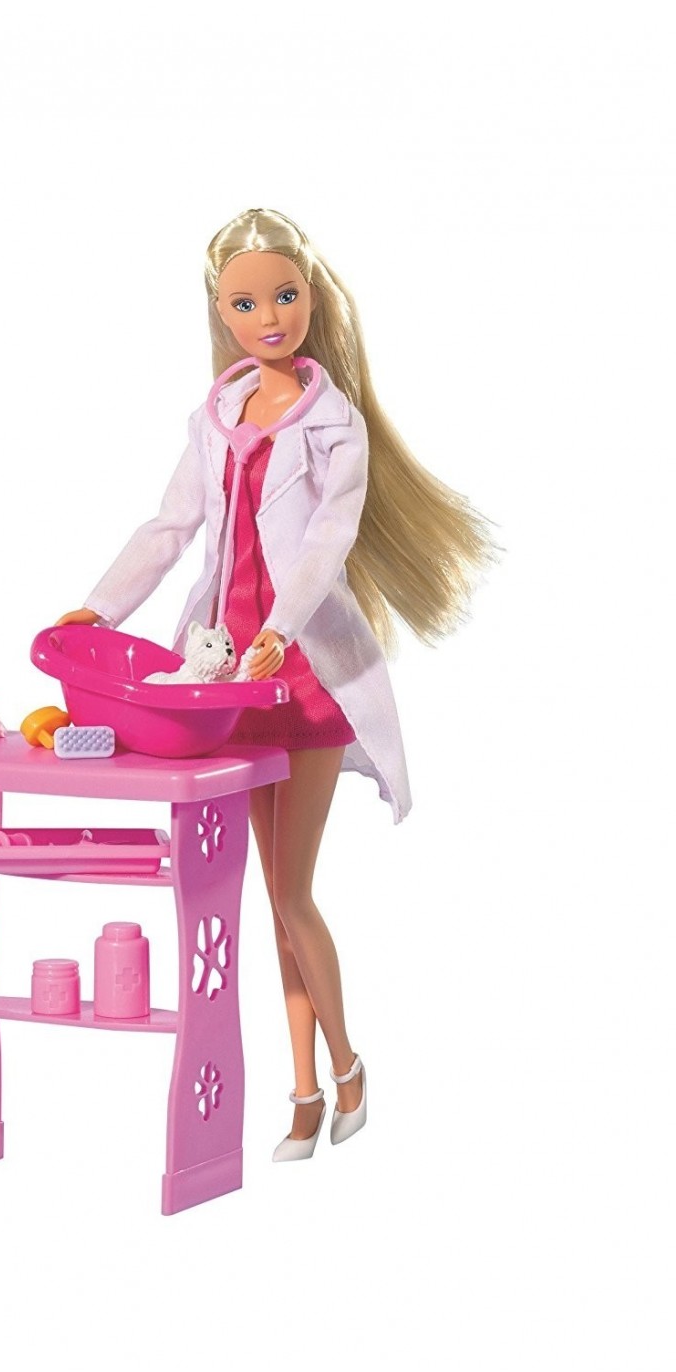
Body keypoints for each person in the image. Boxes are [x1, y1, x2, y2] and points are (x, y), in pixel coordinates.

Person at [58, 208, 492, 1160]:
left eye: (285, 296)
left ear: (311, 299)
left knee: (293, 895)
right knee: (270, 900)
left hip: (300, 677)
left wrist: (280, 630)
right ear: (221, 312)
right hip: (224, 680)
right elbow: (170, 527)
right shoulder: (214, 418)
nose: (270, 317)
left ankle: (346, 1069)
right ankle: (303, 1091)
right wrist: (99, 609)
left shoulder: (336, 426)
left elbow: (328, 543)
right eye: (247, 303)